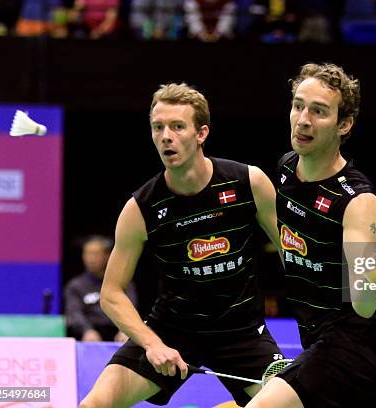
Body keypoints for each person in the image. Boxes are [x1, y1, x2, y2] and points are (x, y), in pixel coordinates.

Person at [80, 83, 284, 407]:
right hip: (171, 328)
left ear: (201, 133)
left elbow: (293, 253)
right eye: (158, 127)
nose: (165, 136)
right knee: (95, 404)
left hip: (241, 331)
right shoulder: (141, 207)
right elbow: (111, 293)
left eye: (177, 126)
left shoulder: (249, 182)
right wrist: (151, 344)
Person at [246, 63, 376, 408]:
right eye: (298, 105)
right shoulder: (287, 167)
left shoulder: (358, 202)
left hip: (360, 340)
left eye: (319, 111)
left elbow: (363, 305)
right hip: (316, 335)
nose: (303, 119)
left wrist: (375, 276)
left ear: (344, 124)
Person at [65, 235, 137, 342]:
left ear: (107, 256)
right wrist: (87, 330)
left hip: (118, 333)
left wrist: (126, 330)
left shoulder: (122, 282)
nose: (91, 259)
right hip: (88, 336)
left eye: (95, 254)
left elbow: (131, 308)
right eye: (87, 254)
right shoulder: (75, 285)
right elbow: (74, 313)